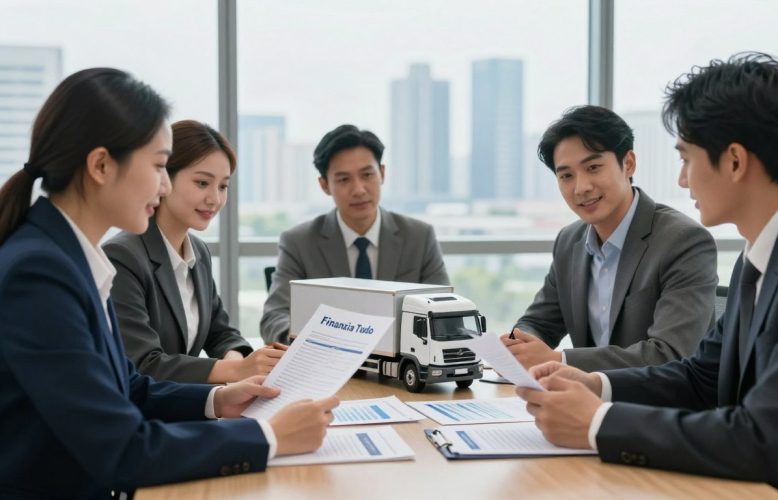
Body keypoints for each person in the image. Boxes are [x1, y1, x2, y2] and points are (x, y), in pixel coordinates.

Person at [517, 53, 778, 499]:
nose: (683, 181)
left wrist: (597, 423)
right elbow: (701, 377)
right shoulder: (763, 250)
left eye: (686, 159)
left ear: (735, 162)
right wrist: (596, 384)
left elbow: (762, 436)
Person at [0, 68, 338, 499]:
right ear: (101, 165)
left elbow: (129, 386)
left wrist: (218, 400)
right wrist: (270, 437)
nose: (163, 185)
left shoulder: (69, 258)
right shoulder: (40, 275)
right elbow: (122, 449)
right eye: (160, 165)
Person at [503, 105, 717, 371]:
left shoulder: (683, 241)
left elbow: (669, 355)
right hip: (584, 404)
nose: (581, 188)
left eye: (593, 167)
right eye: (566, 175)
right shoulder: (570, 241)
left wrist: (560, 360)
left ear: (628, 163)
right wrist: (518, 344)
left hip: (657, 407)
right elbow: (538, 322)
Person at [104, 120, 286, 383]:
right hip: (146, 415)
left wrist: (237, 362)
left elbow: (221, 333)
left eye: (223, 186)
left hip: (189, 404)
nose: (215, 198)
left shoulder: (198, 252)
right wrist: (236, 371)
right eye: (202, 183)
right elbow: (144, 364)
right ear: (164, 179)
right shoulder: (123, 257)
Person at [260, 124, 450, 344]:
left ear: (382, 173)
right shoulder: (299, 243)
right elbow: (274, 318)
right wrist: (317, 342)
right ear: (324, 185)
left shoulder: (419, 237)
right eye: (343, 179)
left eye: (367, 175)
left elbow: (443, 311)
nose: (359, 189)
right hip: (327, 365)